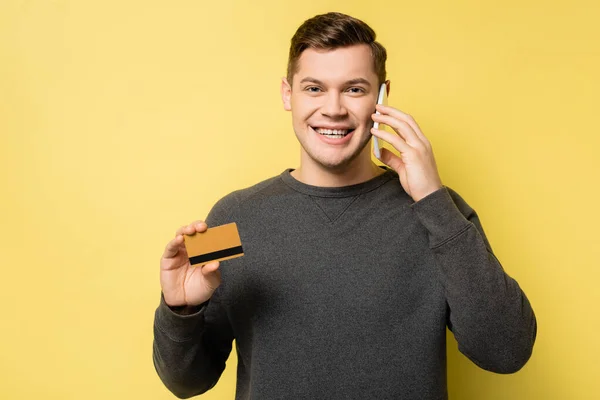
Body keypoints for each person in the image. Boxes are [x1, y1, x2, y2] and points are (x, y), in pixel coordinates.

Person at [152, 11, 537, 400]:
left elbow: (506, 351)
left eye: (354, 89)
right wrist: (180, 310)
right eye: (314, 88)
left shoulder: (439, 210)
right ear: (288, 94)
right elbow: (187, 382)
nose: (333, 109)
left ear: (382, 96)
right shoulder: (232, 217)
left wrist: (433, 198)